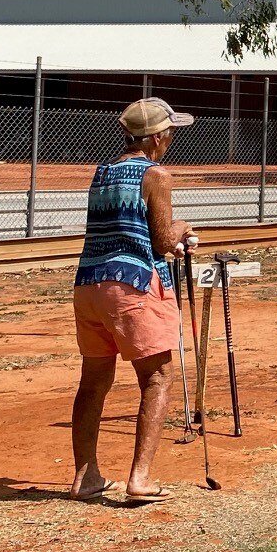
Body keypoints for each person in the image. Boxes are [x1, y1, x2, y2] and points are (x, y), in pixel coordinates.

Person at [68, 97, 197, 504]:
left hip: (90, 283)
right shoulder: (156, 174)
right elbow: (161, 239)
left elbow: (124, 228)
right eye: (170, 131)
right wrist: (183, 228)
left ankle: (85, 477)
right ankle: (139, 479)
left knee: (94, 381)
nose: (172, 138)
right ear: (156, 137)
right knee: (157, 378)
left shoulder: (103, 171)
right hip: (133, 285)